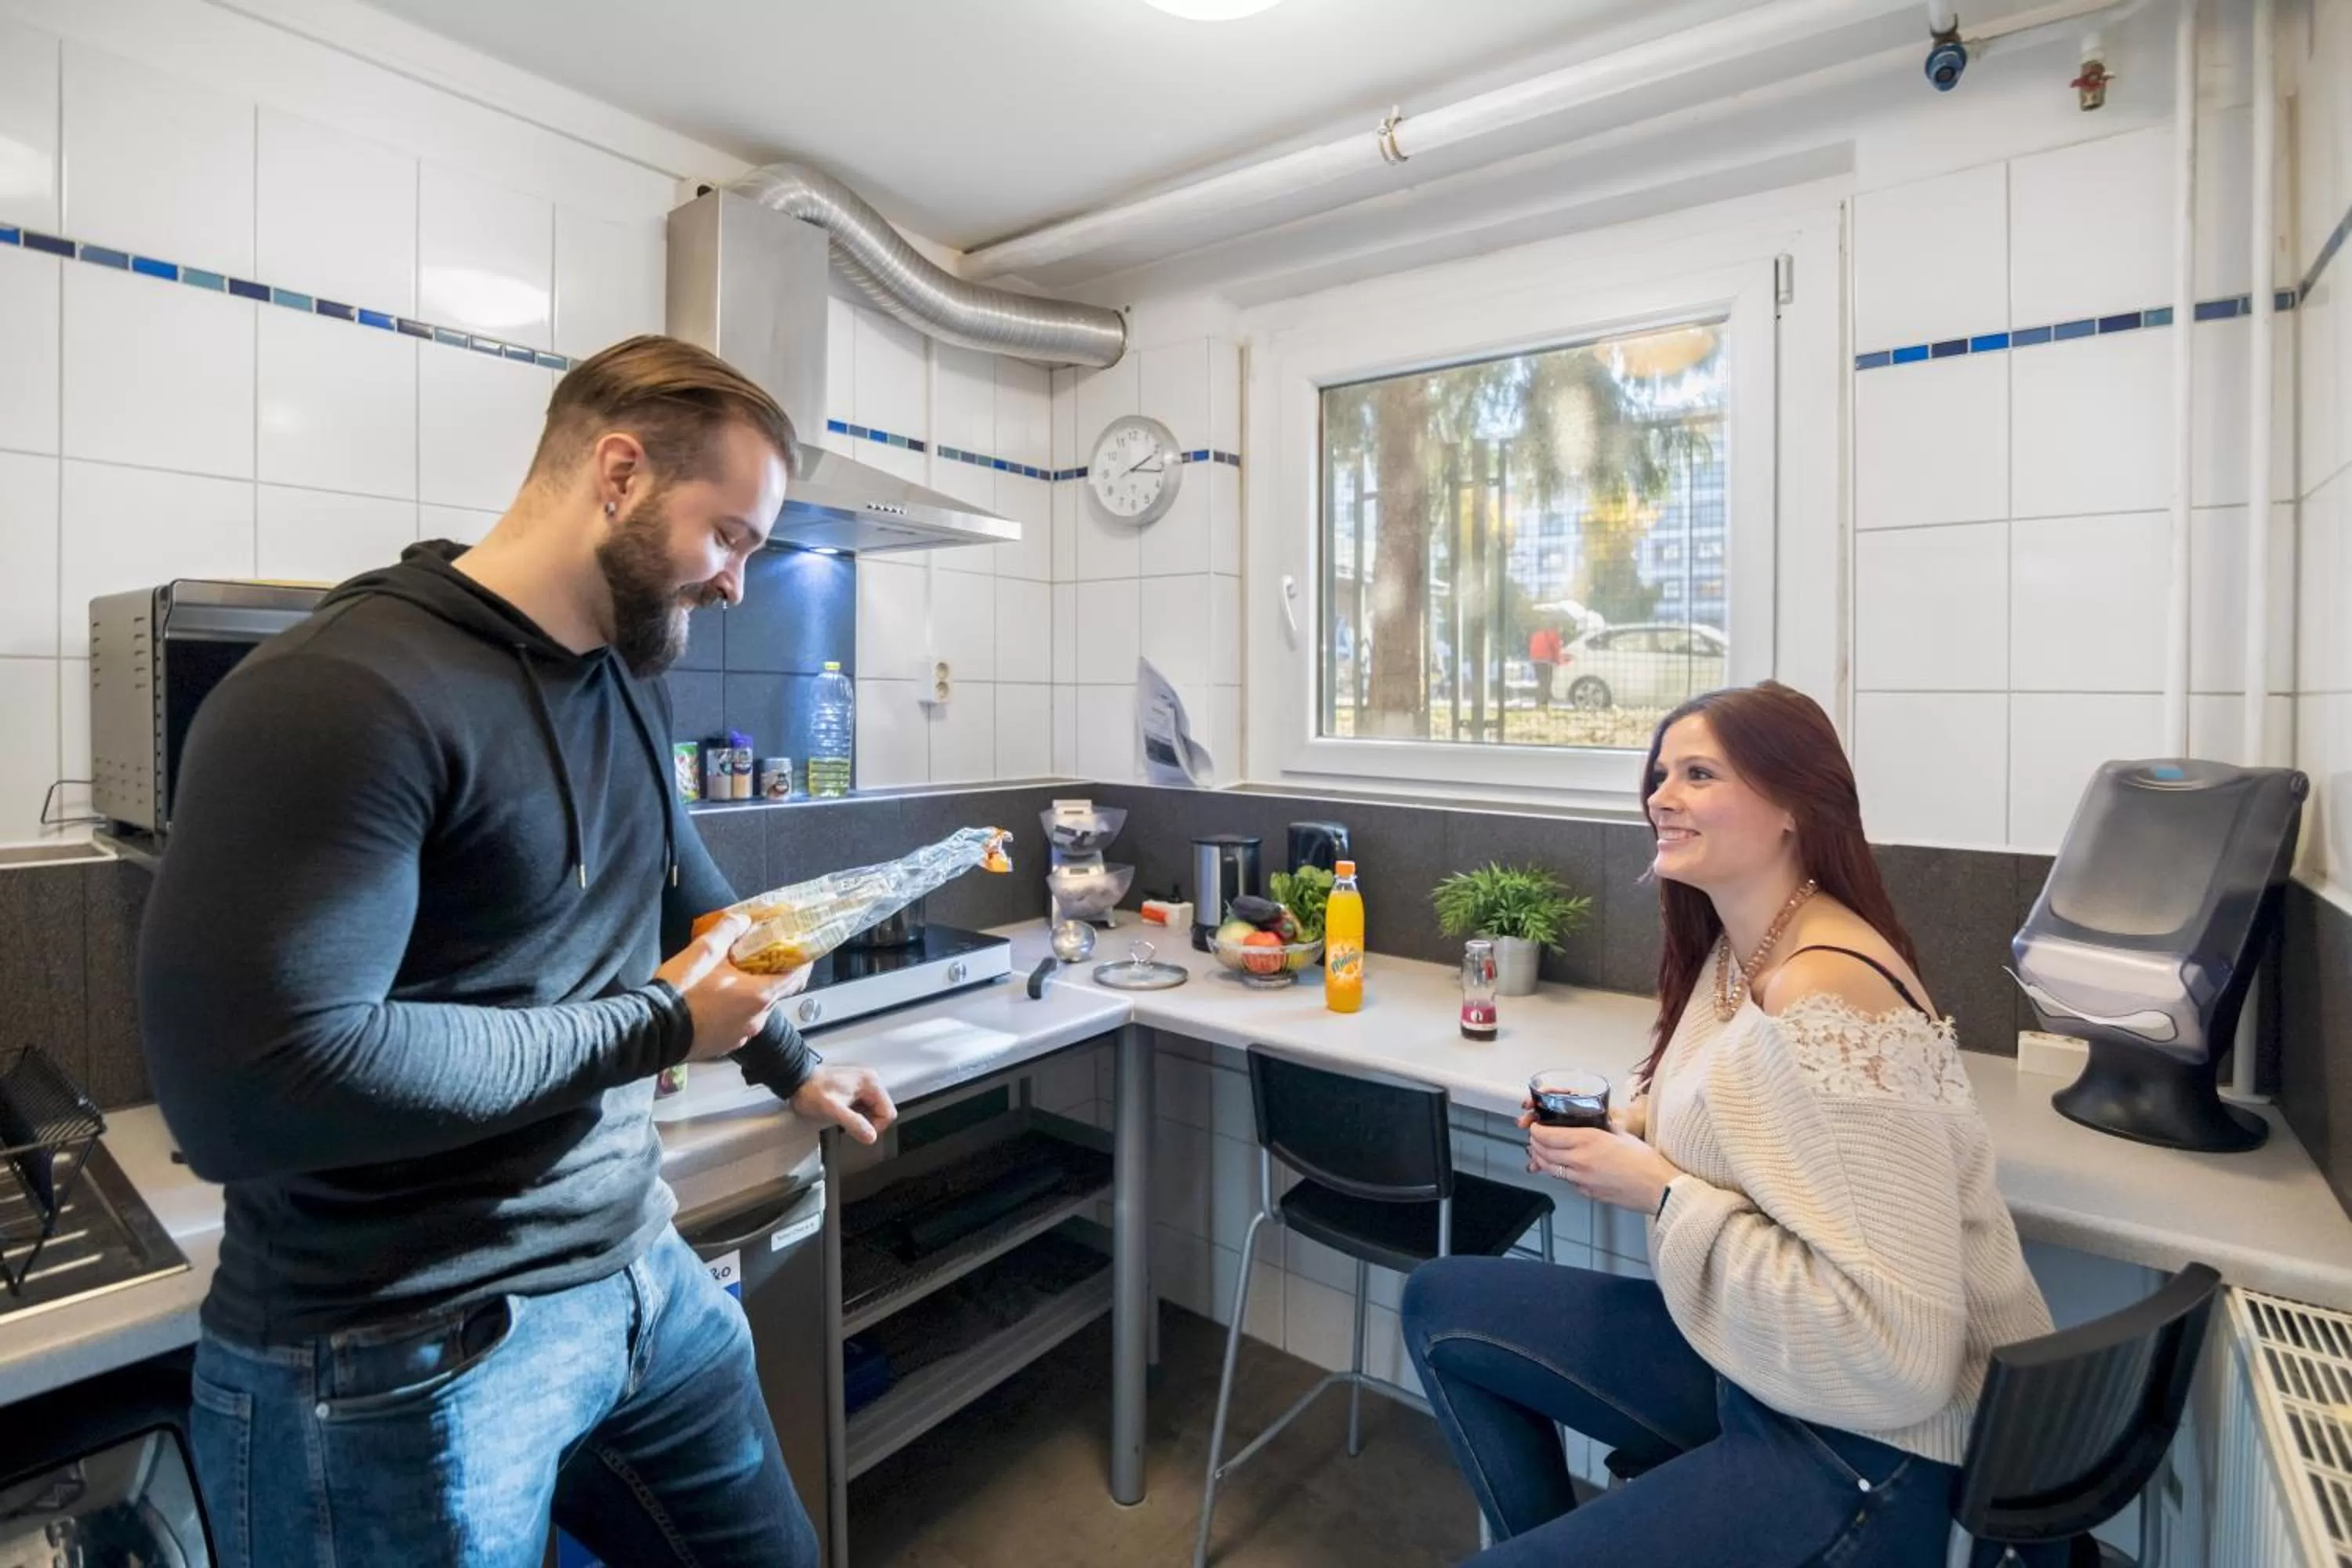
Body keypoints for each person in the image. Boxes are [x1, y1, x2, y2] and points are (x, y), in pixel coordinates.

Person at [140, 336, 895, 1567]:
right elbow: (256, 1087)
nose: (736, 585)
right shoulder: (343, 690)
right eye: (730, 538)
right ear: (619, 474)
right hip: (397, 1352)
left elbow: (700, 923)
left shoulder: (624, 685)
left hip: (637, 1272)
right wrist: (661, 1024)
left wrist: (792, 1065)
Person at [1400, 681, 2056, 1566]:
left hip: (1879, 1443)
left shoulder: (1828, 990)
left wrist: (1661, 1191)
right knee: (1441, 1300)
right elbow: (1754, 1128)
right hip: (1763, 1371)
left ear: (1793, 804)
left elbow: (1903, 1352)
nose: (1661, 796)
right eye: (1661, 773)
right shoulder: (1740, 946)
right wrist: (1630, 1125)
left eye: (1699, 773)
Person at [1527, 625, 1562, 710]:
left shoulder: (1536, 634)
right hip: (1546, 661)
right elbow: (1556, 649)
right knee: (1547, 683)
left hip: (1536, 660)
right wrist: (1557, 661)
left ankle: (1538, 702)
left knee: (1541, 682)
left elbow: (1532, 647)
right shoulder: (1553, 634)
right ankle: (1543, 704)